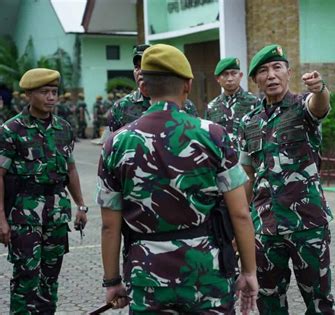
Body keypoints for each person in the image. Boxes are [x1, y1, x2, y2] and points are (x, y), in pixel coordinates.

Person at [97, 44, 258, 314]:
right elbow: (241, 213)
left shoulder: (116, 142)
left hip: (147, 275)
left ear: (144, 87)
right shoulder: (214, 135)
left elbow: (109, 226)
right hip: (206, 273)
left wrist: (112, 281)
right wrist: (249, 271)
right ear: (188, 85)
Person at [237, 44, 335, 314]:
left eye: (277, 68)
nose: (271, 75)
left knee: (319, 301)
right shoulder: (249, 121)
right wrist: (243, 221)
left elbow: (320, 104)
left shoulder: (303, 107)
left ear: (288, 72)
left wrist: (319, 88)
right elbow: (248, 175)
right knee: (268, 302)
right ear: (255, 79)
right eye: (263, 71)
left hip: (307, 225)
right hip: (265, 229)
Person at [0, 68, 88, 314]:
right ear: (29, 94)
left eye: (54, 92)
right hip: (24, 214)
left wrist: (81, 205)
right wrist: (1, 221)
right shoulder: (11, 130)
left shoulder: (64, 128)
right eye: (44, 92)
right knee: (26, 276)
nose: (51, 97)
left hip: (57, 212)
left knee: (50, 277)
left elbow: (70, 170)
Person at [108, 44, 198, 133]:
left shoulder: (186, 106)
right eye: (137, 67)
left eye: (144, 67)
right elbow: (113, 142)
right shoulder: (121, 107)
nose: (140, 71)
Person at [206, 57, 258, 148]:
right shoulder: (211, 107)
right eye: (225, 74)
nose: (230, 78)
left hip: (247, 159)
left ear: (240, 75)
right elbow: (208, 136)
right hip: (221, 159)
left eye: (234, 73)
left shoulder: (254, 102)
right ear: (218, 78)